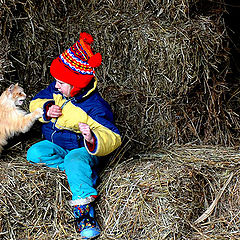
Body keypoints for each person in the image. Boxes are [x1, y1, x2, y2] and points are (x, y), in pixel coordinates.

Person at [27, 32, 122, 239]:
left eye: (61, 82)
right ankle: (75, 171)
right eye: (56, 81)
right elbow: (34, 102)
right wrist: (46, 108)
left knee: (74, 158)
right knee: (35, 153)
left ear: (76, 84)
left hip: (82, 151)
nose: (56, 85)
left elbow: (113, 136)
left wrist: (91, 138)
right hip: (58, 145)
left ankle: (84, 214)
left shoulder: (94, 106)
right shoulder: (56, 90)